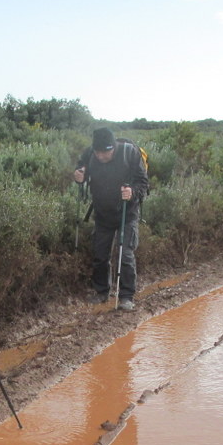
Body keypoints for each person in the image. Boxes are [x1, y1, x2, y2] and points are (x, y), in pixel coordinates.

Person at [73, 127, 149, 311]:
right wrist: (79, 176)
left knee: (125, 255)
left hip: (127, 212)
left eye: (105, 152)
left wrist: (132, 192)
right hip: (102, 213)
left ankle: (126, 297)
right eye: (98, 152)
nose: (101, 156)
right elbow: (81, 170)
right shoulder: (90, 154)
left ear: (113, 147)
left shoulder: (129, 154)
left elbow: (144, 184)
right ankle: (101, 292)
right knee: (100, 255)